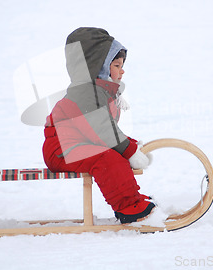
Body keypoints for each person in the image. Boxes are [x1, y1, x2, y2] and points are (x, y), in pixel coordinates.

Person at [42, 27, 155, 224]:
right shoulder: (86, 92)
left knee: (111, 154)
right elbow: (102, 130)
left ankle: (132, 199)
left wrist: (131, 145)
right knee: (108, 158)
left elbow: (105, 129)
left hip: (77, 143)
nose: (122, 70)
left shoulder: (100, 92)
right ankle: (129, 207)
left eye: (122, 65)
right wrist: (129, 151)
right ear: (99, 67)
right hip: (62, 149)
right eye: (117, 65)